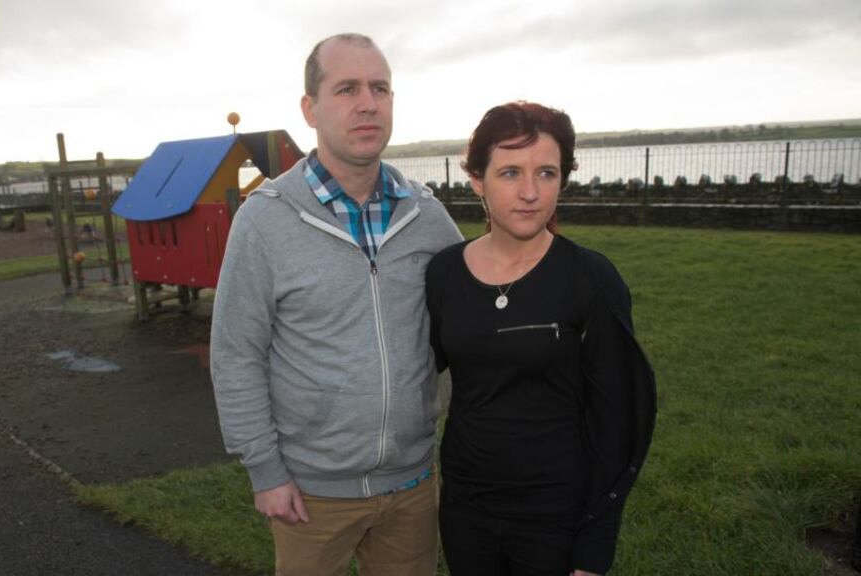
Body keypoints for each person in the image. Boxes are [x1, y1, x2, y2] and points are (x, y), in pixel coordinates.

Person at [210, 33, 462, 576]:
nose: (368, 103)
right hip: (308, 495)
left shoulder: (429, 217)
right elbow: (236, 354)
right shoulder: (264, 221)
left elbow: (470, 330)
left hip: (414, 486)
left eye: (380, 88)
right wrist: (266, 471)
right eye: (347, 88)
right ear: (310, 108)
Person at [425, 101, 656, 576]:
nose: (530, 192)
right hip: (466, 508)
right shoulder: (444, 273)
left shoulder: (590, 278)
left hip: (555, 517)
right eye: (510, 172)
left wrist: (594, 549)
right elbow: (422, 365)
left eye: (547, 173)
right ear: (476, 180)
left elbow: (618, 421)